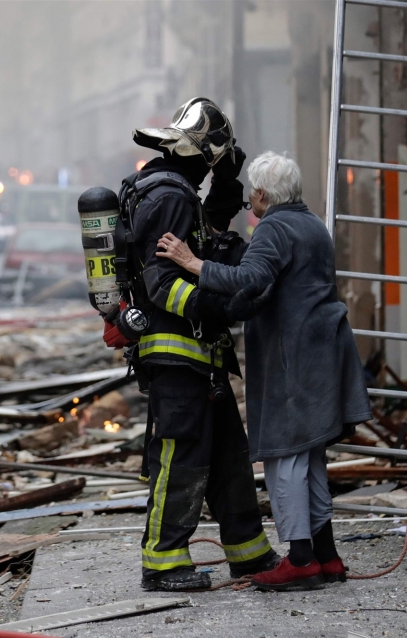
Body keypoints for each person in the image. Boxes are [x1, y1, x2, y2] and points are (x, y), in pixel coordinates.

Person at [156, 151, 372, 591]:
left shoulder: (274, 226)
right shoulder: (311, 223)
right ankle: (327, 557)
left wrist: (190, 262)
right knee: (310, 457)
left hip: (294, 359)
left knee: (284, 458)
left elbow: (249, 279)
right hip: (322, 352)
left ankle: (300, 559)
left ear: (259, 193)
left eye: (250, 193)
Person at [123, 97, 279, 592]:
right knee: (180, 455)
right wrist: (218, 307)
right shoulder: (170, 195)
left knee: (230, 454)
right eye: (216, 161)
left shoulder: (172, 190)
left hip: (200, 356)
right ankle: (163, 560)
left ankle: (249, 553)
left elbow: (208, 236)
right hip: (176, 353)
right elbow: (161, 283)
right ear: (202, 154)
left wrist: (228, 189)